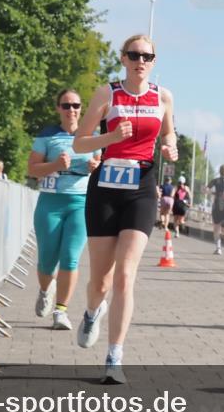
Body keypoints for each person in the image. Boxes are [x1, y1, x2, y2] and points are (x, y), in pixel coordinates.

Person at [71, 34, 177, 384]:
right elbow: (80, 141)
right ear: (123, 58)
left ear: (154, 60)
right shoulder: (107, 93)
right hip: (105, 188)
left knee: (125, 275)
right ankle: (90, 313)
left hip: (142, 188)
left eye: (147, 55)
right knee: (99, 281)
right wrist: (111, 139)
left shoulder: (162, 96)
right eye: (133, 55)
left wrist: (170, 149)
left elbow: (169, 135)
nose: (140, 61)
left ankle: (114, 357)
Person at [27, 90, 99, 330]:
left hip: (80, 203)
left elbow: (102, 168)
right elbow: (33, 169)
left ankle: (61, 311)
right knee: (47, 260)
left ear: (81, 108)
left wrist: (95, 168)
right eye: (66, 105)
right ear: (58, 108)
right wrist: (56, 165)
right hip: (51, 202)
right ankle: (46, 289)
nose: (71, 110)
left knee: (70, 257)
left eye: (76, 105)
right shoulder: (47, 135)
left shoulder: (91, 136)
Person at [207, 165, 224, 254]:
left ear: (220, 171)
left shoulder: (215, 180)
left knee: (216, 228)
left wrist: (214, 193)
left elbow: (206, 190)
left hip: (217, 205)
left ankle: (218, 248)